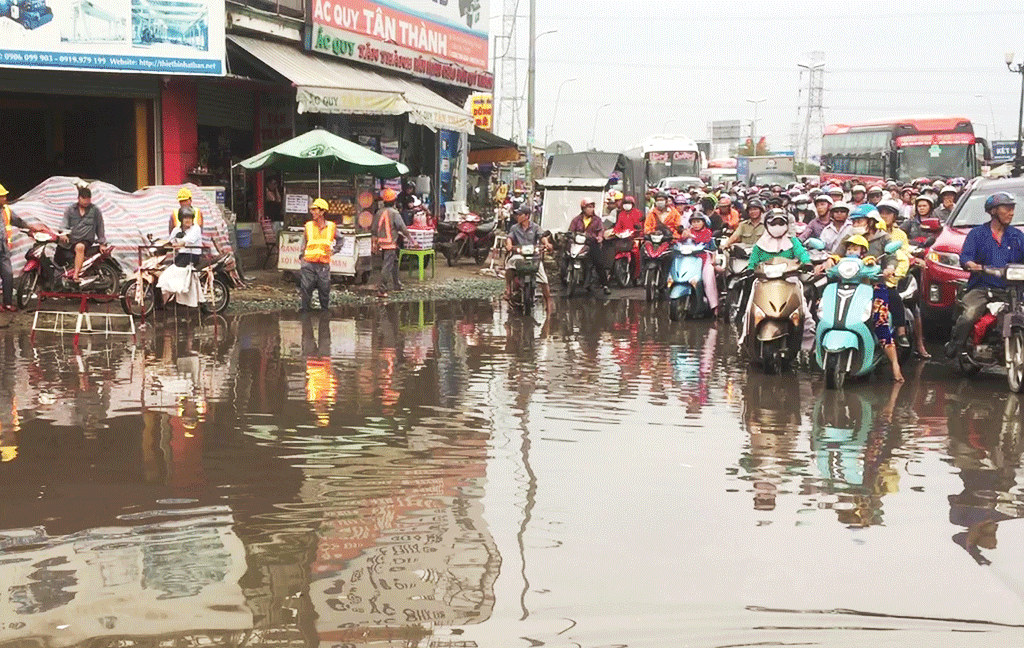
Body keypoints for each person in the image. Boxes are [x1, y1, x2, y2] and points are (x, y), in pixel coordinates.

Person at [946, 192, 1024, 358]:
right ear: (993, 211)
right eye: (1007, 209)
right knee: (970, 314)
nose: (1011, 213)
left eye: (1013, 209)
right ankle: (957, 344)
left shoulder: (1017, 236)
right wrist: (972, 265)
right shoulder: (977, 234)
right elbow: (966, 257)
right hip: (983, 287)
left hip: (1013, 290)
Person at [841, 234, 904, 382]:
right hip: (848, 291)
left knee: (880, 322)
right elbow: (833, 263)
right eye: (849, 248)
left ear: (863, 250)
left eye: (855, 248)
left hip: (874, 290)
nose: (850, 251)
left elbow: (872, 262)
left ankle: (895, 365)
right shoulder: (843, 264)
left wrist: (883, 268)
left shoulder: (869, 261)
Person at [877, 198, 930, 358]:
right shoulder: (871, 231)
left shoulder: (900, 234)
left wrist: (896, 273)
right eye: (881, 213)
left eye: (888, 213)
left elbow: (903, 255)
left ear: (895, 216)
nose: (884, 216)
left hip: (895, 277)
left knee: (912, 306)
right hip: (871, 276)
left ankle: (914, 341)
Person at [0, 183, 45, 311]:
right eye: (2, 196)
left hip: (3, 248)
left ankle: (7, 303)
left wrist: (32, 227)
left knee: (8, 274)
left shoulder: (6, 210)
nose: (5, 199)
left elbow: (18, 221)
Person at [504, 206, 553, 312]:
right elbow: (509, 238)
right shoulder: (514, 228)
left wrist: (547, 243)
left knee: (543, 278)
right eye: (517, 214)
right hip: (519, 255)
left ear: (527, 216)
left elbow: (542, 236)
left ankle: (548, 301)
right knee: (510, 264)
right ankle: (508, 289)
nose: (517, 216)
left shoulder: (535, 227)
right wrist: (509, 245)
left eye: (520, 214)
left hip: (534, 256)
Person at [298, 198, 342, 311]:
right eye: (312, 210)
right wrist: (302, 256)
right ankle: (306, 315)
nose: (312, 212)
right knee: (306, 290)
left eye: (315, 210)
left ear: (322, 212)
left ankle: (324, 314)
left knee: (324, 291)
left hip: (323, 264)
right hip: (308, 263)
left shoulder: (331, 227)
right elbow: (304, 242)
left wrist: (334, 251)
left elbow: (341, 240)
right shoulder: (308, 226)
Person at [157, 207, 206, 307]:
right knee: (169, 269)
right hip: (182, 255)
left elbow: (189, 240)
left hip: (193, 255)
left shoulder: (196, 228)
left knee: (176, 270)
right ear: (181, 219)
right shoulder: (176, 230)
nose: (188, 220)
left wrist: (180, 243)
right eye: (185, 218)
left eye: (190, 218)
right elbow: (171, 241)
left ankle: (180, 289)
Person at [59, 186, 106, 281]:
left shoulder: (95, 210)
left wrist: (102, 243)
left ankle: (76, 275)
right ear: (78, 198)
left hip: (85, 241)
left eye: (88, 199)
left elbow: (100, 227)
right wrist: (63, 233)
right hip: (71, 240)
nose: (86, 201)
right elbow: (64, 224)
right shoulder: (70, 209)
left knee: (79, 247)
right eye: (83, 198)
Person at [679, 212, 720, 316]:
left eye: (698, 221)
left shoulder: (707, 233)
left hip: (704, 259)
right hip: (689, 259)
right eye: (693, 222)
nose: (696, 224)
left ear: (703, 222)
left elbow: (710, 246)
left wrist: (713, 260)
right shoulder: (687, 232)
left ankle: (714, 306)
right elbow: (679, 244)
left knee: (708, 278)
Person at [374, 188, 412, 299]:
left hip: (382, 243)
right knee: (387, 266)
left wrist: (375, 243)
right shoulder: (395, 213)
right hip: (390, 243)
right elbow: (402, 227)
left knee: (394, 261)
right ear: (394, 201)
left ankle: (396, 284)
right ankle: (382, 289)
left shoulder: (379, 212)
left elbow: (374, 229)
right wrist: (411, 239)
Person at [569, 198, 611, 295]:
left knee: (599, 263)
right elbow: (571, 230)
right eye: (588, 207)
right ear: (583, 208)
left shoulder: (597, 220)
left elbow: (601, 230)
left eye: (592, 207)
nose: (590, 209)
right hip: (579, 243)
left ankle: (605, 285)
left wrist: (600, 237)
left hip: (592, 243)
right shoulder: (576, 220)